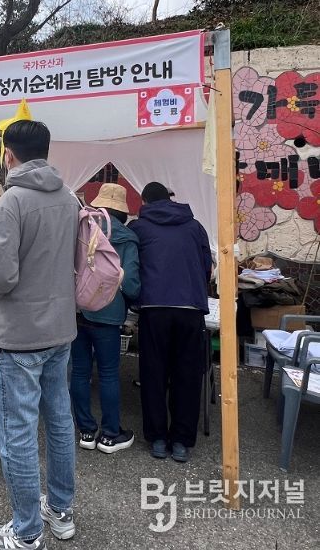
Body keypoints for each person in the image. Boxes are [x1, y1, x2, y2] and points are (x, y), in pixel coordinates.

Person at [0, 120, 78, 550]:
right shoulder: (69, 197)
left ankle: (25, 531)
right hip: (60, 328)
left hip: (19, 333)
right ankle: (60, 512)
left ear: (8, 154)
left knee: (16, 434)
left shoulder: (12, 201)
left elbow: (1, 277)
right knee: (59, 422)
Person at [128, 181, 212, 463]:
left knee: (153, 373)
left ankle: (157, 439)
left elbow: (132, 267)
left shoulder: (139, 227)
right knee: (187, 374)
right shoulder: (195, 226)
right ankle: (181, 441)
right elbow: (206, 267)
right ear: (170, 199)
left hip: (154, 308)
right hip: (190, 308)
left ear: (144, 201)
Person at [70, 183, 140, 454]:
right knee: (109, 374)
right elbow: (132, 286)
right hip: (109, 315)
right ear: (122, 211)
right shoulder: (128, 239)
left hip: (77, 310)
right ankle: (110, 435)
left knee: (80, 371)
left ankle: (86, 432)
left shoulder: (81, 228)